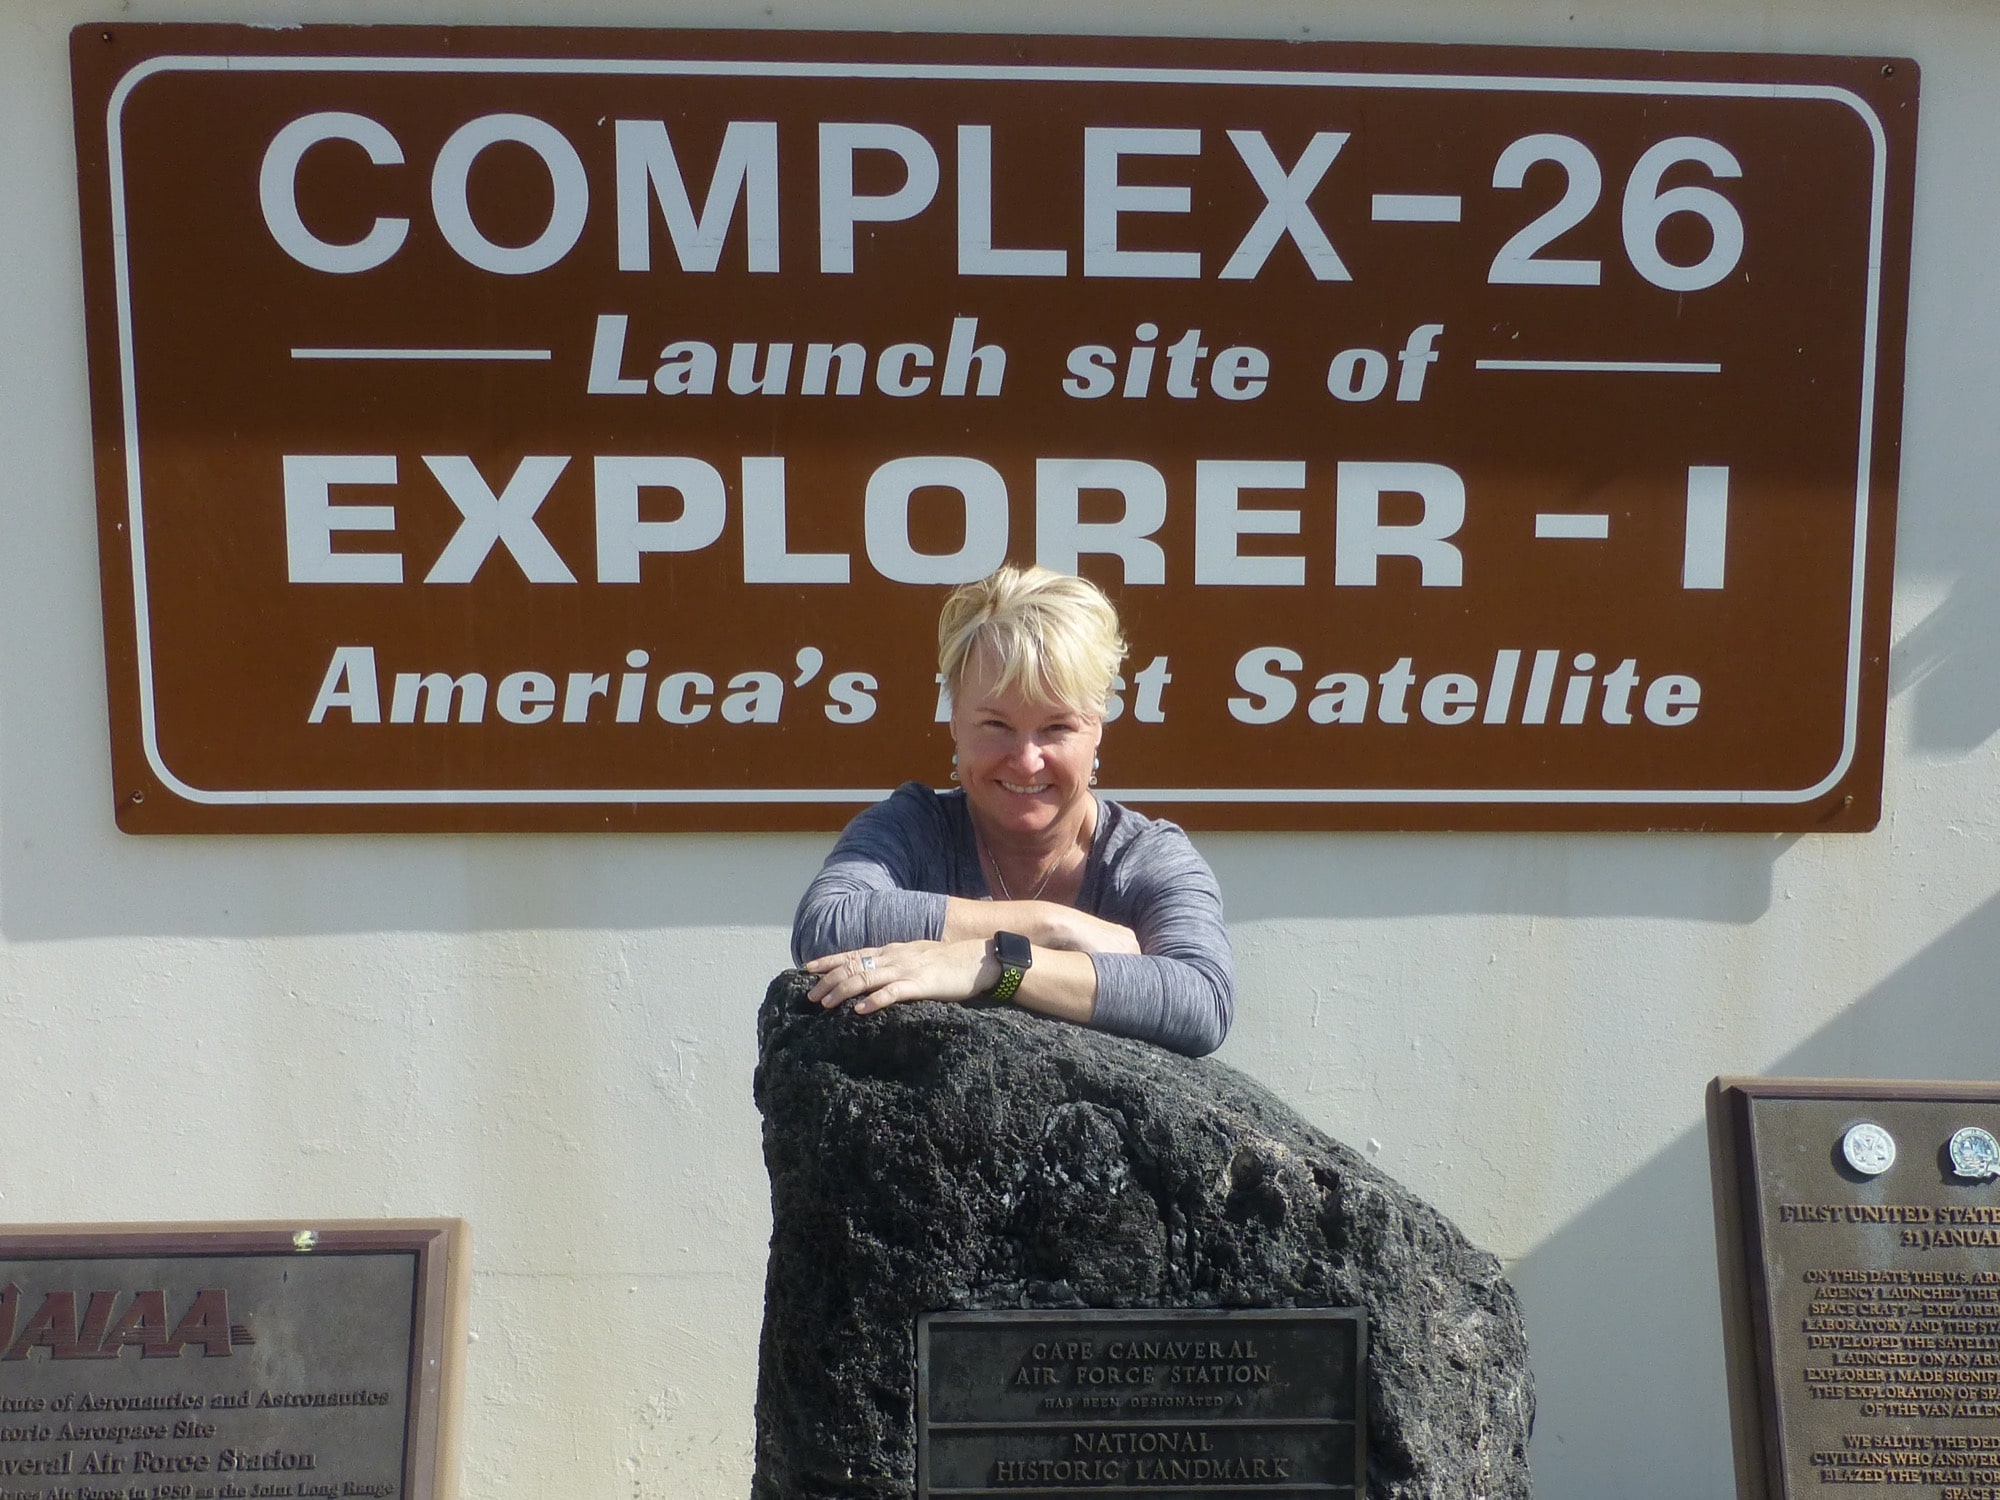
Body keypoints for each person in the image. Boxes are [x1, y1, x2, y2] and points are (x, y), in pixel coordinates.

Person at [790, 565, 1233, 1057]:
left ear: (1099, 725)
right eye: (997, 724)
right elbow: (826, 925)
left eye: (1056, 728)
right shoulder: (914, 827)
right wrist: (1048, 924)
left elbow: (1202, 998)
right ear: (955, 717)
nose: (1026, 760)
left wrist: (998, 963)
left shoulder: (1144, 857)